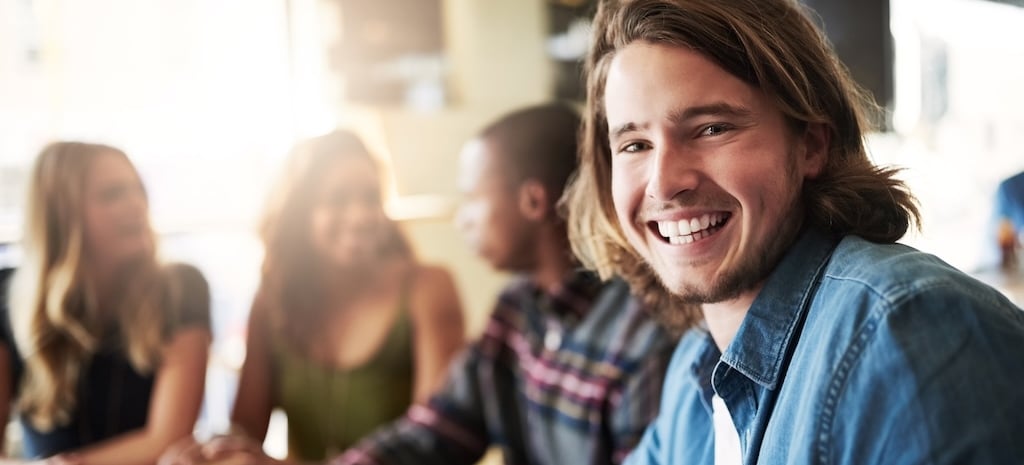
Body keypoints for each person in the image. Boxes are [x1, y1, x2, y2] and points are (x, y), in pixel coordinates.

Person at [563, 0, 1024, 464]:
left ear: (810, 145)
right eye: (635, 144)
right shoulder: (695, 367)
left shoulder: (907, 330)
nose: (664, 182)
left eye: (711, 128)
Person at [177, 104, 676, 465]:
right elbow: (435, 432)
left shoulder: (640, 332)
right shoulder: (517, 312)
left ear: (531, 203)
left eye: (472, 200)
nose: (461, 221)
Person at [166, 129, 466, 463]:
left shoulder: (427, 288)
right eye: (337, 200)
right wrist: (211, 451)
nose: (361, 216)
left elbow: (435, 443)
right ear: (298, 215)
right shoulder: (272, 300)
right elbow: (247, 429)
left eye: (371, 198)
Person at [0, 142, 211, 463]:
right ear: (60, 211)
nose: (137, 204)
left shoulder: (181, 287)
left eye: (138, 189)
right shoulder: (6, 292)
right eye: (113, 194)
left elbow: (168, 439)